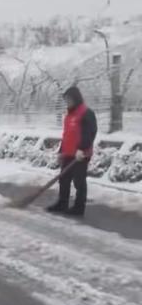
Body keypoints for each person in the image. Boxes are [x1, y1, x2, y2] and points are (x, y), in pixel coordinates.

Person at [47, 86, 97, 217]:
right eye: (66, 100)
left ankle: (79, 208)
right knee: (63, 179)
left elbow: (90, 133)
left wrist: (82, 149)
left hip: (81, 154)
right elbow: (67, 135)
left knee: (79, 181)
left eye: (69, 99)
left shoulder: (86, 113)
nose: (67, 102)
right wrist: (61, 151)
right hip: (68, 153)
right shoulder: (69, 115)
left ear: (76, 98)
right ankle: (62, 203)